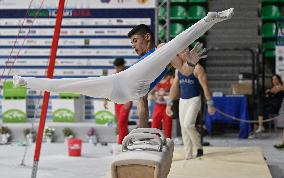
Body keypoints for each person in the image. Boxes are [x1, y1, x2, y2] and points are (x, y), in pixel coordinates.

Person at [13, 9, 233, 112]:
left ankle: (209, 20)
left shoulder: (160, 50)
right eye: (131, 43)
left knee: (170, 46)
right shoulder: (141, 61)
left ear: (147, 37)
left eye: (135, 41)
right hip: (120, 87)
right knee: (68, 83)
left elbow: (185, 72)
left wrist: (192, 63)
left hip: (135, 85)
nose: (133, 46)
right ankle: (24, 81)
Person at [166, 46, 215, 160]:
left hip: (194, 100)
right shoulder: (178, 70)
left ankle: (199, 147)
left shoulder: (198, 68)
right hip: (183, 100)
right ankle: (188, 154)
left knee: (188, 125)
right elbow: (174, 86)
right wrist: (169, 103)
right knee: (183, 128)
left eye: (185, 52)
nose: (181, 55)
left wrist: (210, 103)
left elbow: (205, 86)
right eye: (181, 52)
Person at [104, 58, 132, 144]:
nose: (117, 69)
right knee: (121, 125)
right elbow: (109, 89)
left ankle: (120, 144)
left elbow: (132, 88)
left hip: (126, 102)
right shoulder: (115, 76)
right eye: (116, 68)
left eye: (119, 67)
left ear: (123, 65)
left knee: (121, 123)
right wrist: (105, 100)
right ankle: (128, 143)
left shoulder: (129, 74)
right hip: (117, 103)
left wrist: (129, 100)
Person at [148, 71, 174, 138]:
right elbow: (150, 95)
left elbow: (174, 93)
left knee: (167, 124)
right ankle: (155, 140)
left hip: (167, 106)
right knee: (155, 124)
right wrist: (156, 98)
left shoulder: (170, 79)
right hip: (158, 105)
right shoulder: (156, 80)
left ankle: (168, 141)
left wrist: (166, 98)